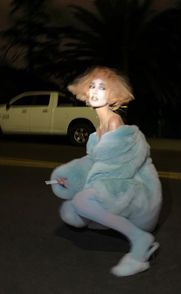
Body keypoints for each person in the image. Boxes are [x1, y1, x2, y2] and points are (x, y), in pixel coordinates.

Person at [50, 66, 162, 277]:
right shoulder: (95, 134)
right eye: (92, 86)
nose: (94, 91)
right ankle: (117, 224)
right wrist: (70, 178)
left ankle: (140, 241)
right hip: (116, 186)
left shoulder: (114, 123)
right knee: (70, 210)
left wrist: (86, 192)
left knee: (82, 201)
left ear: (112, 95)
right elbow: (93, 163)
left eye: (102, 87)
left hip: (137, 192)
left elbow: (120, 171)